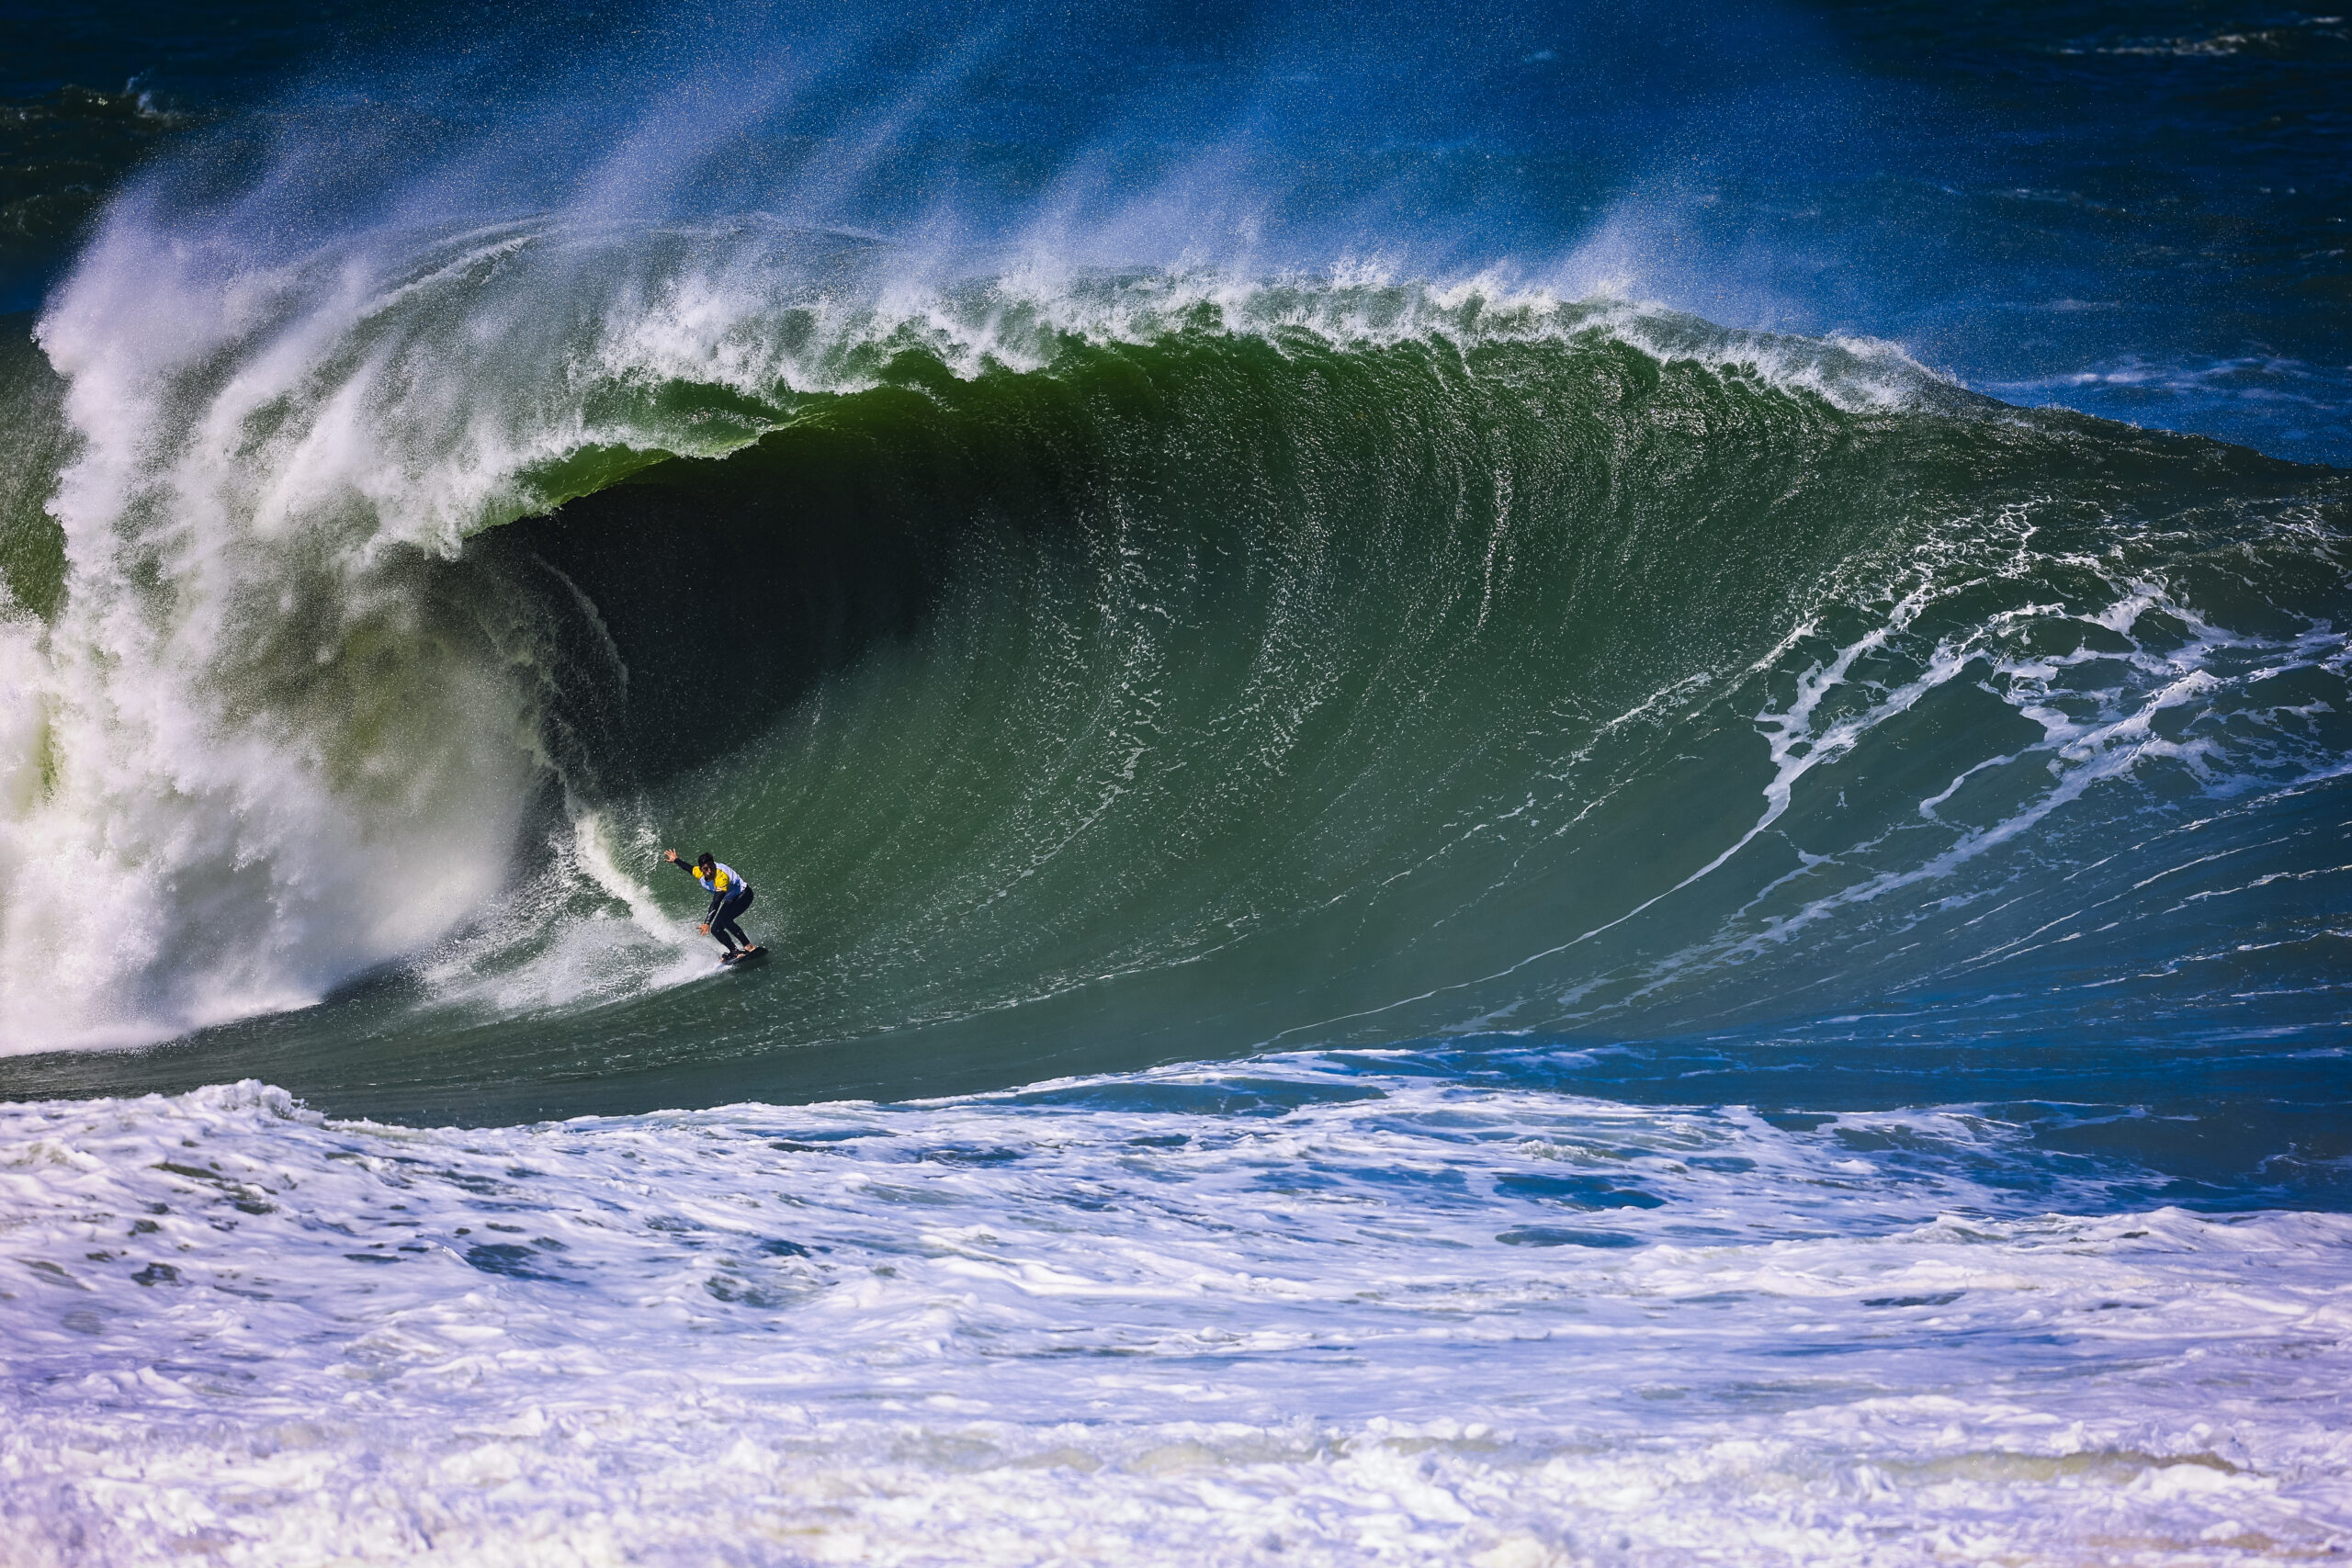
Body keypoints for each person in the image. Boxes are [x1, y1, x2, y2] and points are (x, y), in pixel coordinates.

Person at [664, 849, 763, 961]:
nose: (710, 871)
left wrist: (707, 922)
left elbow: (716, 902)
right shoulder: (699, 872)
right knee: (716, 929)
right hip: (731, 899)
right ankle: (734, 952)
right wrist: (676, 860)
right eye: (706, 869)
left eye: (711, 867)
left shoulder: (721, 877)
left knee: (726, 920)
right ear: (701, 869)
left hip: (744, 895)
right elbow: (689, 868)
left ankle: (749, 946)